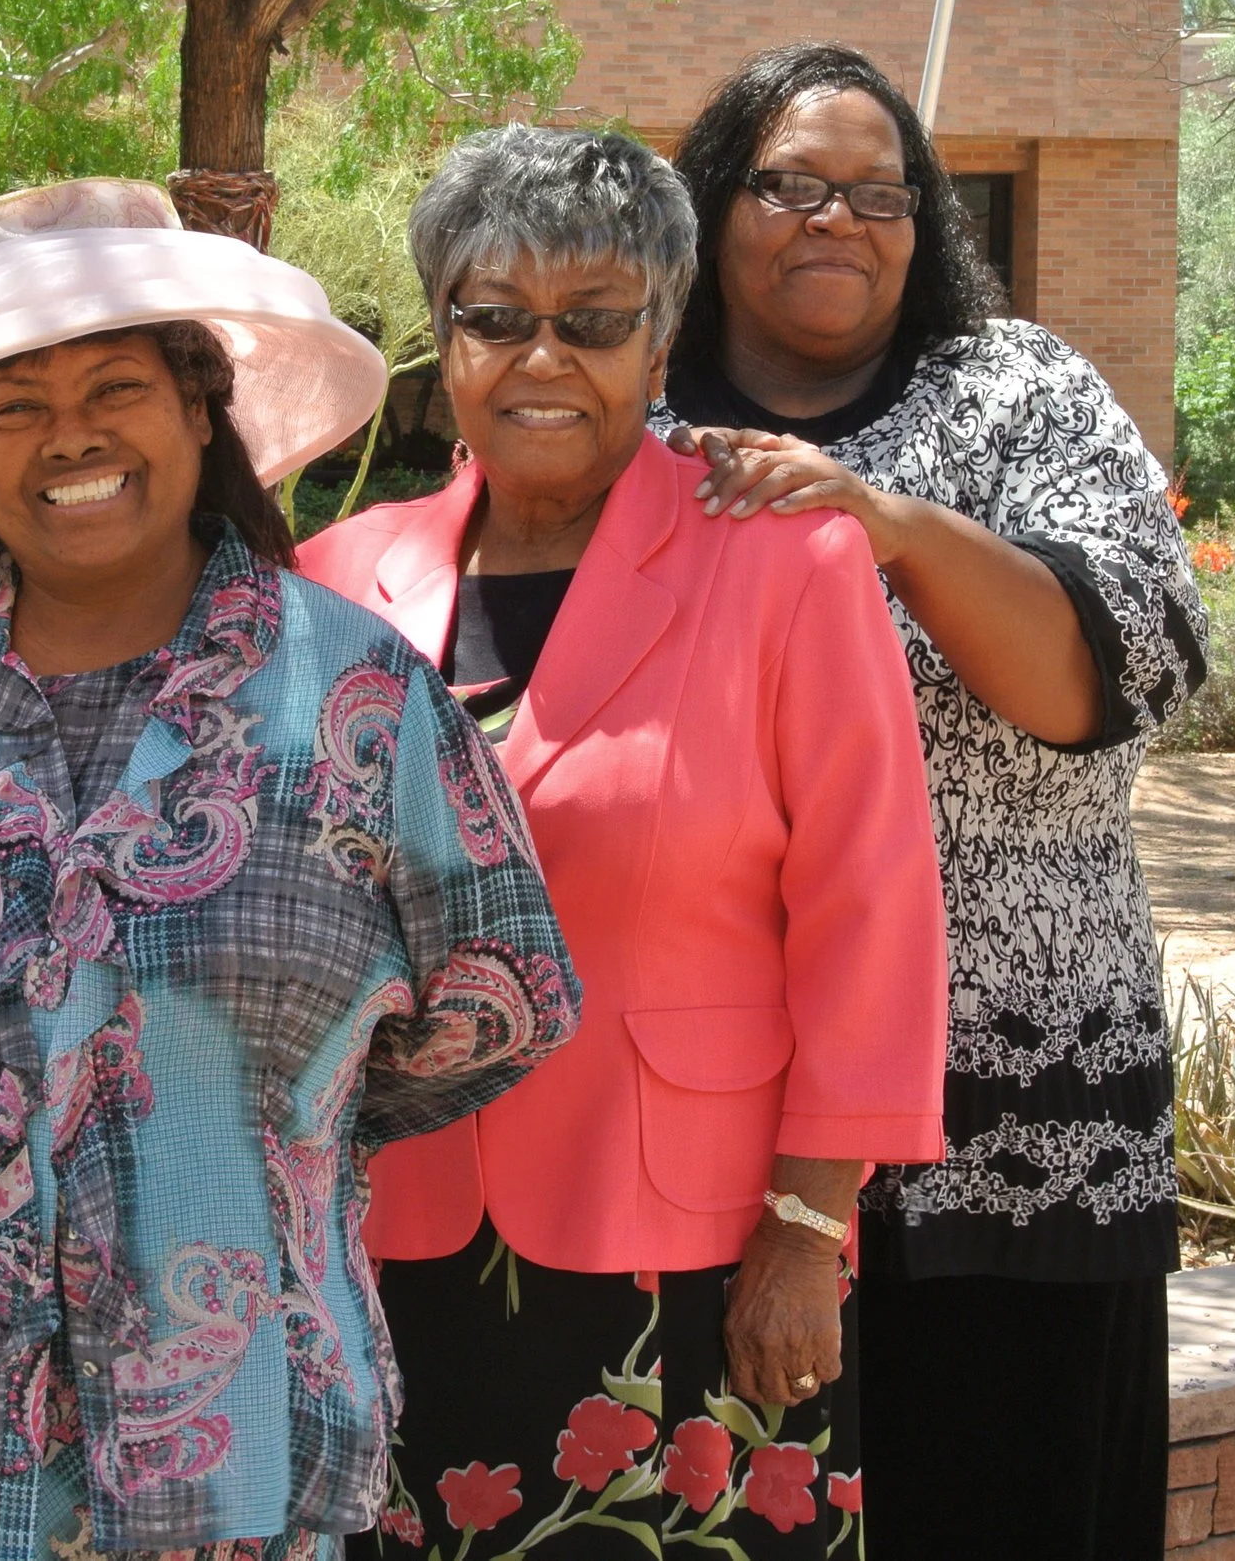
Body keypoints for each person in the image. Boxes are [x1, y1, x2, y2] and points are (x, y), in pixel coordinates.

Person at [0, 179, 584, 1561]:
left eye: (115, 384)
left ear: (199, 405)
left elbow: (511, 990)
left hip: (250, 1464)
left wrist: (277, 1119)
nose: (69, 433)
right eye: (15, 400)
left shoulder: (355, 699)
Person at [300, 126, 948, 1559]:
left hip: (698, 1249)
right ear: (442, 337)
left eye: (594, 323)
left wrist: (808, 1226)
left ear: (661, 347)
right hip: (394, 1239)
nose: (544, 360)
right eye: (497, 319)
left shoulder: (786, 559)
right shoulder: (340, 579)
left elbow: (874, 914)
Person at [658, 42, 1209, 1560]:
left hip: (1020, 1121)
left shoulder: (1020, 391)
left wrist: (883, 524)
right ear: (716, 205)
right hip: (701, 1124)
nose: (836, 218)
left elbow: (1119, 674)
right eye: (790, 184)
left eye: (880, 191)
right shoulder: (642, 432)